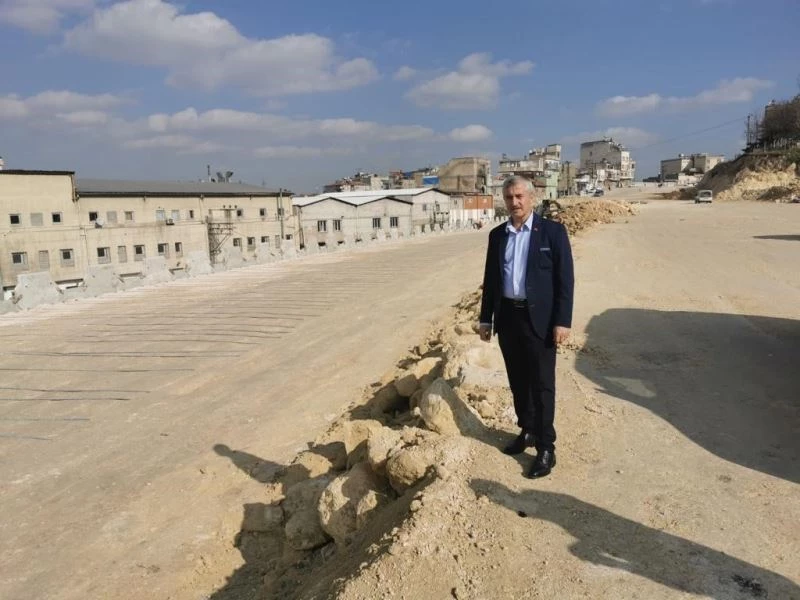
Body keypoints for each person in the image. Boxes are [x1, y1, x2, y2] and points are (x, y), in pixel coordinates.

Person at [478, 176, 574, 478]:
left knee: (542, 384)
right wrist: (486, 318)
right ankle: (528, 429)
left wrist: (562, 321)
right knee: (518, 380)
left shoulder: (553, 233)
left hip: (540, 321)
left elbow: (565, 280)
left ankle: (546, 446)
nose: (514, 202)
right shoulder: (497, 236)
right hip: (508, 318)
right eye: (509, 197)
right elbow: (491, 280)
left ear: (532, 198)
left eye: (519, 196)